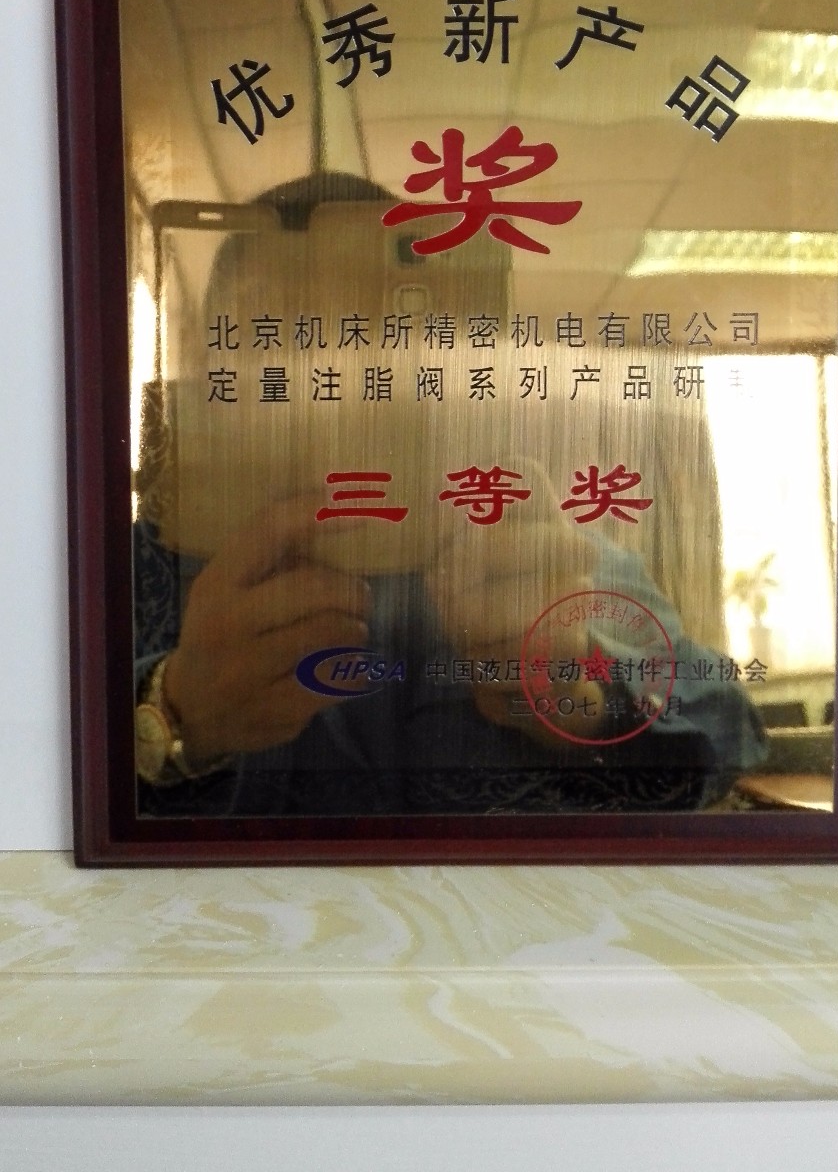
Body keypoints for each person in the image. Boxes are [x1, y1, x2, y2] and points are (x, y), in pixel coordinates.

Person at [133, 174, 767, 817]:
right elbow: (63, 767)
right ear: (211, 363)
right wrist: (172, 715)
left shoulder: (540, 558)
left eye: (381, 328)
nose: (329, 369)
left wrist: (581, 700)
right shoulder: (141, 569)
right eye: (278, 329)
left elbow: (730, 731)